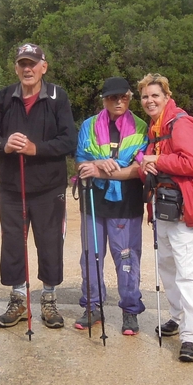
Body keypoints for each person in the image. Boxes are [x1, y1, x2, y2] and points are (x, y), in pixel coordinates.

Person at [0, 43, 77, 329]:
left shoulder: (58, 96)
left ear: (43, 67)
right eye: (22, 64)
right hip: (12, 188)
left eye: (33, 64)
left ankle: (49, 300)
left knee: (49, 243)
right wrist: (4, 145)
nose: (27, 69)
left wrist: (37, 149)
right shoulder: (4, 97)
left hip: (49, 187)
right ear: (16, 68)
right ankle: (18, 301)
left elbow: (68, 140)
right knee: (12, 245)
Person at [137, 73, 193, 362]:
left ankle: (192, 336)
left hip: (185, 208)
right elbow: (149, 163)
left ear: (167, 97)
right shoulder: (155, 127)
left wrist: (156, 161)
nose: (149, 101)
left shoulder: (181, 123)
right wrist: (144, 166)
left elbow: (192, 161)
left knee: (189, 271)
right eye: (145, 96)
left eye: (155, 96)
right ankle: (177, 316)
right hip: (164, 206)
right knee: (168, 266)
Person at [74, 77, 148, 336]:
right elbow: (81, 163)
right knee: (91, 257)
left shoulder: (141, 127)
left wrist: (100, 168)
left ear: (130, 97)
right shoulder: (88, 125)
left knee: (126, 257)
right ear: (103, 99)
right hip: (93, 201)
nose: (118, 102)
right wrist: (95, 165)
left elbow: (140, 168)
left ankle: (130, 309)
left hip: (127, 203)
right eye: (112, 97)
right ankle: (93, 306)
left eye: (124, 97)